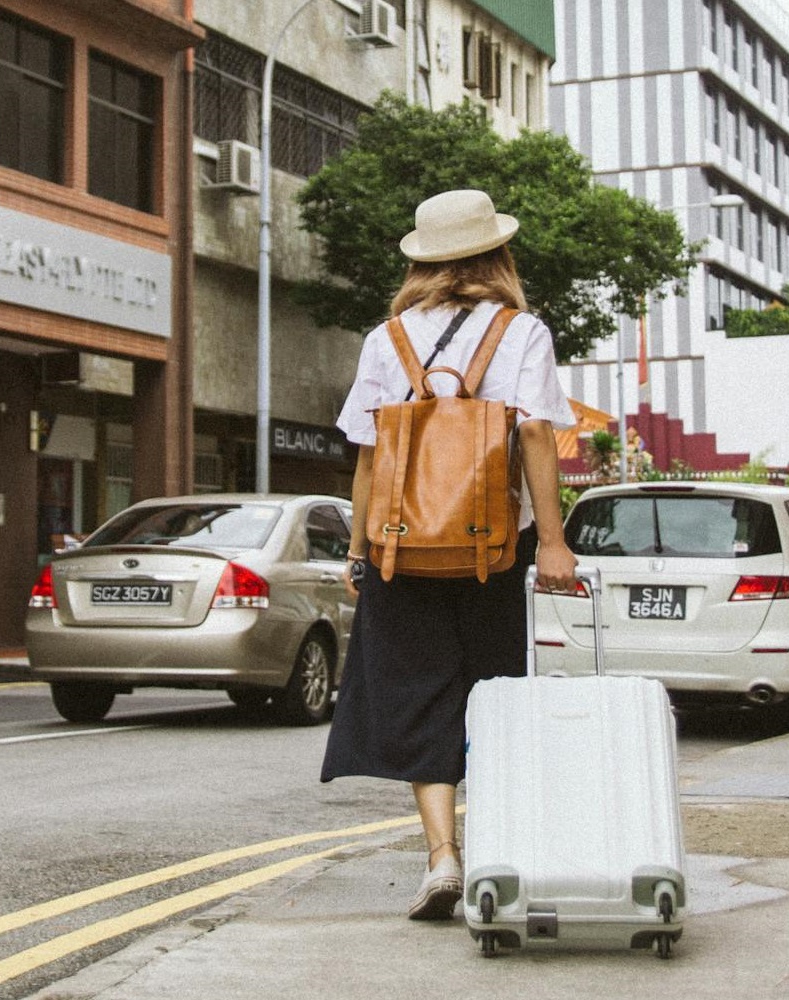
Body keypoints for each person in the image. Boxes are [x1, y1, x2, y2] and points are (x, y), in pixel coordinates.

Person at [320, 189, 579, 921]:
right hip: (489, 548)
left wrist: (359, 550)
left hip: (401, 547)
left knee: (415, 691)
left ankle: (441, 856)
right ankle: (493, 847)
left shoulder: (388, 337)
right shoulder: (522, 331)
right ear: (497, 255)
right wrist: (554, 542)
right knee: (489, 693)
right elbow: (534, 435)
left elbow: (369, 452)